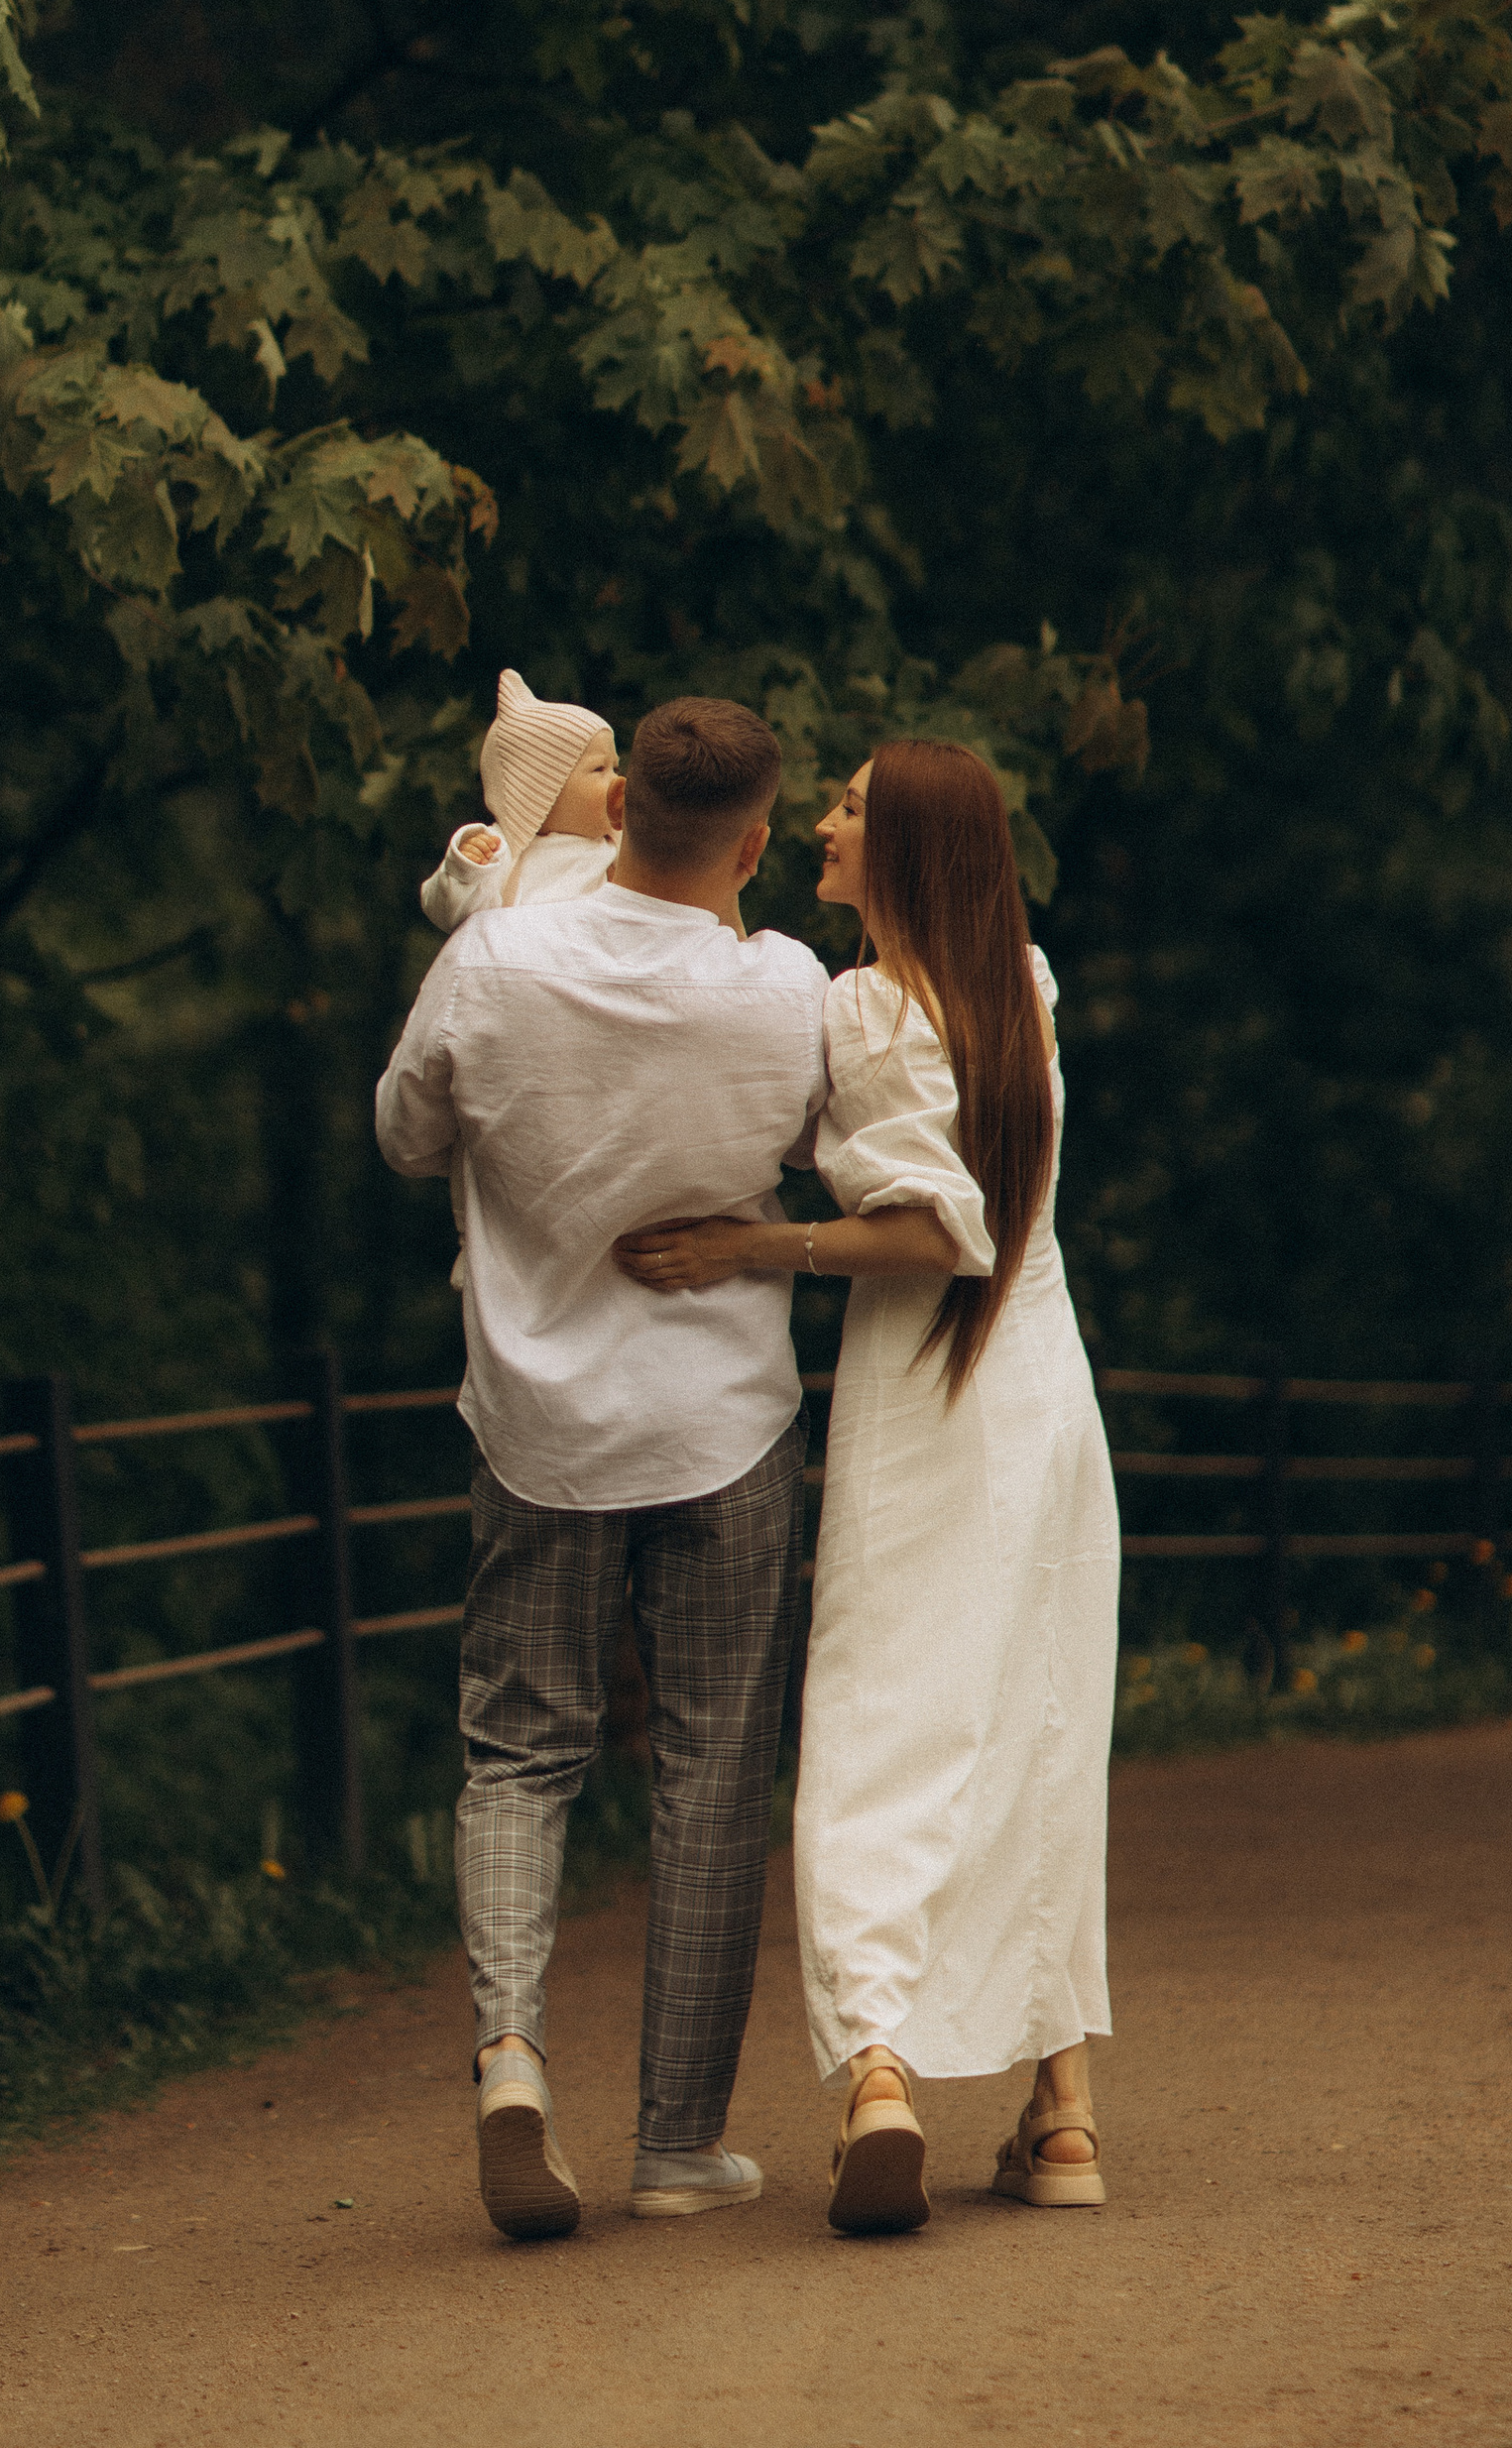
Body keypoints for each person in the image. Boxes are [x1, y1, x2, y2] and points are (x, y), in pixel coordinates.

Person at [615, 740, 1117, 2237]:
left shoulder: (868, 1012)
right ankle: (1063, 2113)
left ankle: (880, 2072)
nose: (823, 827)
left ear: (902, 850)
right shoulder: (1018, 986)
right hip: (1044, 1396)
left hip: (931, 1396)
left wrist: (748, 1247)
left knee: (874, 1730)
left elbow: (933, 1234)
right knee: (1034, 1726)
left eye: (848, 808)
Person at [374, 694, 825, 2243]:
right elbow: (826, 1148)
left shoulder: (493, 957)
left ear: (619, 805)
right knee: (712, 1772)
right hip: (725, 1425)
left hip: (540, 1427)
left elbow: (404, 1136)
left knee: (518, 1756)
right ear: (755, 846)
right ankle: (677, 2148)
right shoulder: (788, 985)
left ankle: (511, 2057)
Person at [418, 668, 619, 931]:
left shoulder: (620, 846)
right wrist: (466, 871)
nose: (618, 780)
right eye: (600, 769)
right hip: (525, 954)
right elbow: (446, 913)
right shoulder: (501, 850)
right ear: (541, 788)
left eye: (616, 768)